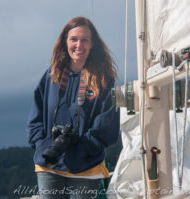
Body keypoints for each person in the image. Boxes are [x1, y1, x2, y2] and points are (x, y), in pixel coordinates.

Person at [27, 16, 120, 199]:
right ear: (65, 42)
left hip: (85, 167)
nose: (79, 45)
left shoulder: (103, 80)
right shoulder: (52, 75)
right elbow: (35, 117)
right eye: (74, 39)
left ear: (92, 44)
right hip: (49, 164)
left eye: (85, 40)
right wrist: (43, 145)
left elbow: (106, 129)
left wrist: (78, 150)